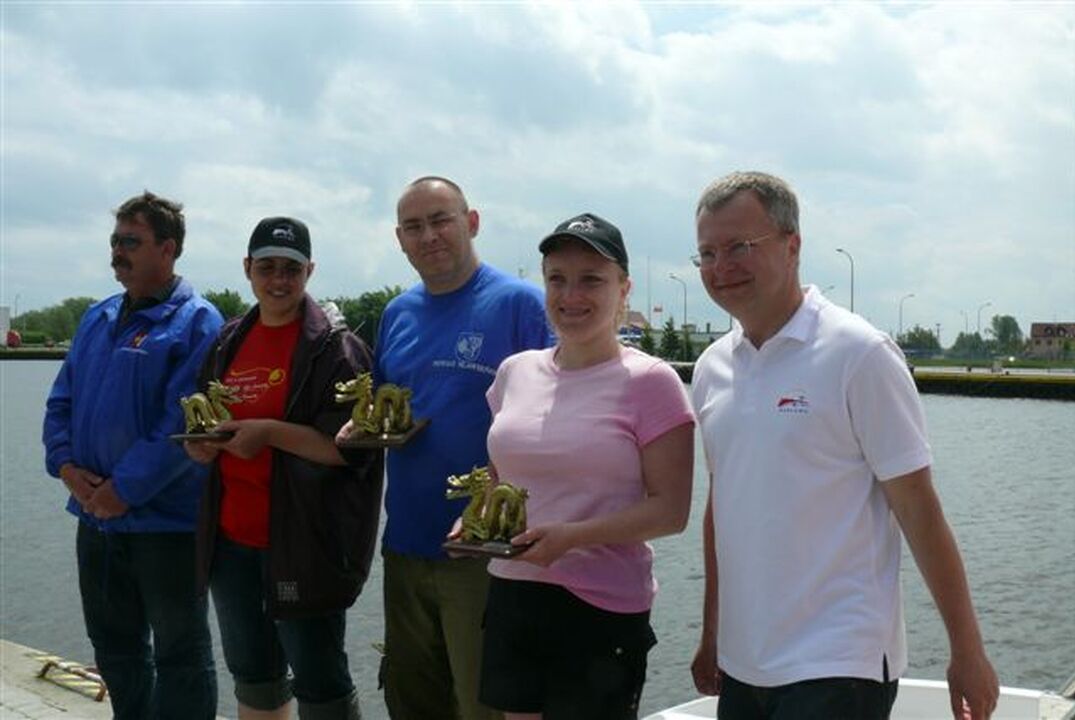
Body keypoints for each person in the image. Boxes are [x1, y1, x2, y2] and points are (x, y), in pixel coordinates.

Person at [688, 171, 999, 720]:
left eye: (740, 247)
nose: (721, 267)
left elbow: (919, 511)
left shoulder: (859, 354)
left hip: (840, 661)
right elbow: (723, 506)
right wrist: (713, 633)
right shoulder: (712, 368)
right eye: (707, 253)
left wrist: (967, 650)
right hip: (744, 664)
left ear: (792, 246)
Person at [475, 213, 696, 719]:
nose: (571, 295)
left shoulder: (652, 382)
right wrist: (478, 520)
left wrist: (571, 538)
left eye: (591, 280)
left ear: (624, 289)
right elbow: (499, 477)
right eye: (558, 279)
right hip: (512, 590)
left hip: (601, 604)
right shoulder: (514, 372)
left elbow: (670, 511)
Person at [357, 176, 551, 719]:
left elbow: (559, 416)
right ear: (400, 239)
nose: (429, 236)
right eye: (414, 227)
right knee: (413, 702)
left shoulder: (522, 305)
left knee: (483, 705)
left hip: (486, 554)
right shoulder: (397, 313)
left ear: (472, 223)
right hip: (406, 545)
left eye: (441, 220)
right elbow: (383, 411)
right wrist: (359, 430)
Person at [184, 217, 382, 720]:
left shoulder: (337, 350)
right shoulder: (228, 341)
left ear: (309, 271)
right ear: (247, 269)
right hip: (231, 542)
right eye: (266, 267)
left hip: (303, 545)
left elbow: (350, 450)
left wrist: (269, 432)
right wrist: (201, 447)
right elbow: (207, 425)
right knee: (253, 675)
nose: (278, 279)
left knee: (320, 681)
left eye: (291, 269)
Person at [42, 191, 222, 720]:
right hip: (95, 520)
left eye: (131, 242)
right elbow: (61, 401)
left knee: (180, 653)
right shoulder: (96, 318)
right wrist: (67, 468)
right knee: (114, 645)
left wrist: (124, 490)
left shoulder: (199, 323)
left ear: (168, 248)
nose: (117, 252)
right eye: (115, 241)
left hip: (166, 527)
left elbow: (182, 424)